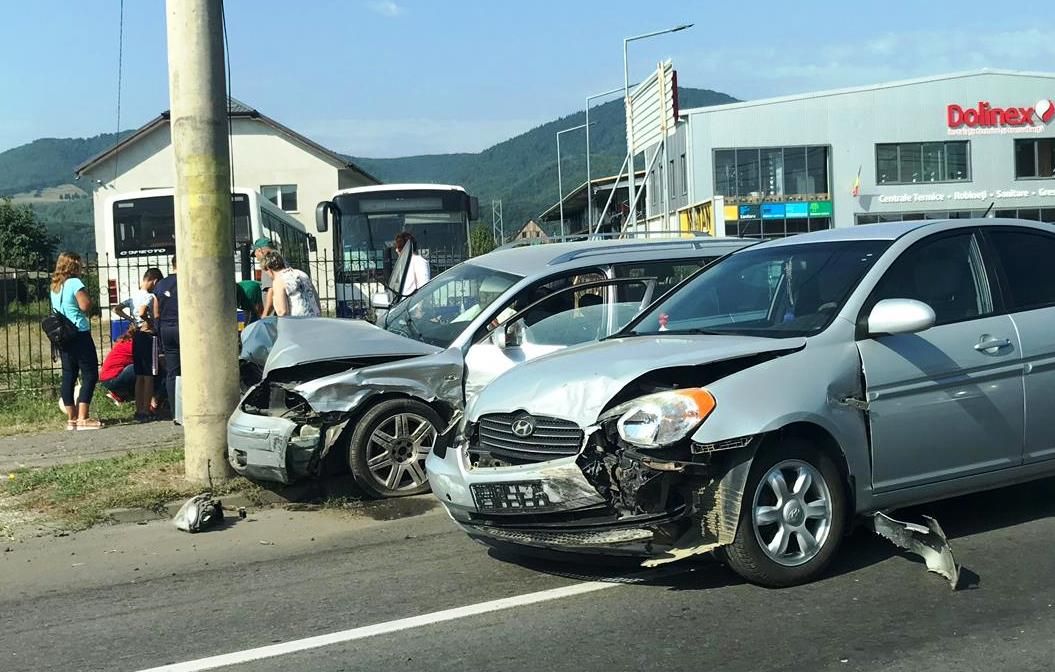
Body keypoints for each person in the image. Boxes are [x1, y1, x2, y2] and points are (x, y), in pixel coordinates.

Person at [50, 252, 102, 430]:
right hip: (79, 332)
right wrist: (90, 299)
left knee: (69, 375)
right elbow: (85, 305)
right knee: (90, 374)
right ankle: (83, 418)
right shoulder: (75, 283)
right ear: (74, 266)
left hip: (63, 335)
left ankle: (71, 419)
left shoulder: (55, 286)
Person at [112, 267, 163, 421]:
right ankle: (146, 410)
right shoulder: (151, 297)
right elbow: (144, 312)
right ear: (154, 281)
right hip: (148, 336)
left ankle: (138, 409)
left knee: (139, 374)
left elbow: (117, 309)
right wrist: (147, 321)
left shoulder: (133, 296)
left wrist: (131, 320)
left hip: (137, 337)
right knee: (149, 375)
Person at [153, 256, 180, 420]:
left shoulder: (160, 284)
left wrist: (159, 331)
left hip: (165, 329)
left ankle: (176, 412)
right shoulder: (187, 280)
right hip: (183, 327)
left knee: (172, 372)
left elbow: (155, 312)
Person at [260, 250, 321, 317]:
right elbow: (316, 298)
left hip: (297, 323)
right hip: (314, 320)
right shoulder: (302, 274)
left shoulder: (279, 281)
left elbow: (282, 312)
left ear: (269, 268)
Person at [99, 326, 135, 404]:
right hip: (111, 378)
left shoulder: (125, 341)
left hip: (108, 378)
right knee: (139, 368)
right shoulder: (131, 345)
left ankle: (121, 394)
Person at [395, 232, 430, 297]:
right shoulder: (403, 264)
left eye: (399, 248)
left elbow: (424, 288)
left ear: (405, 249)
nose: (396, 250)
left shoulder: (419, 261)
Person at [252, 238, 276, 317]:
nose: (256, 257)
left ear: (260, 250)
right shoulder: (281, 262)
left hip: (275, 316)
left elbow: (271, 291)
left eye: (255, 253)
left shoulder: (267, 265)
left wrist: (265, 316)